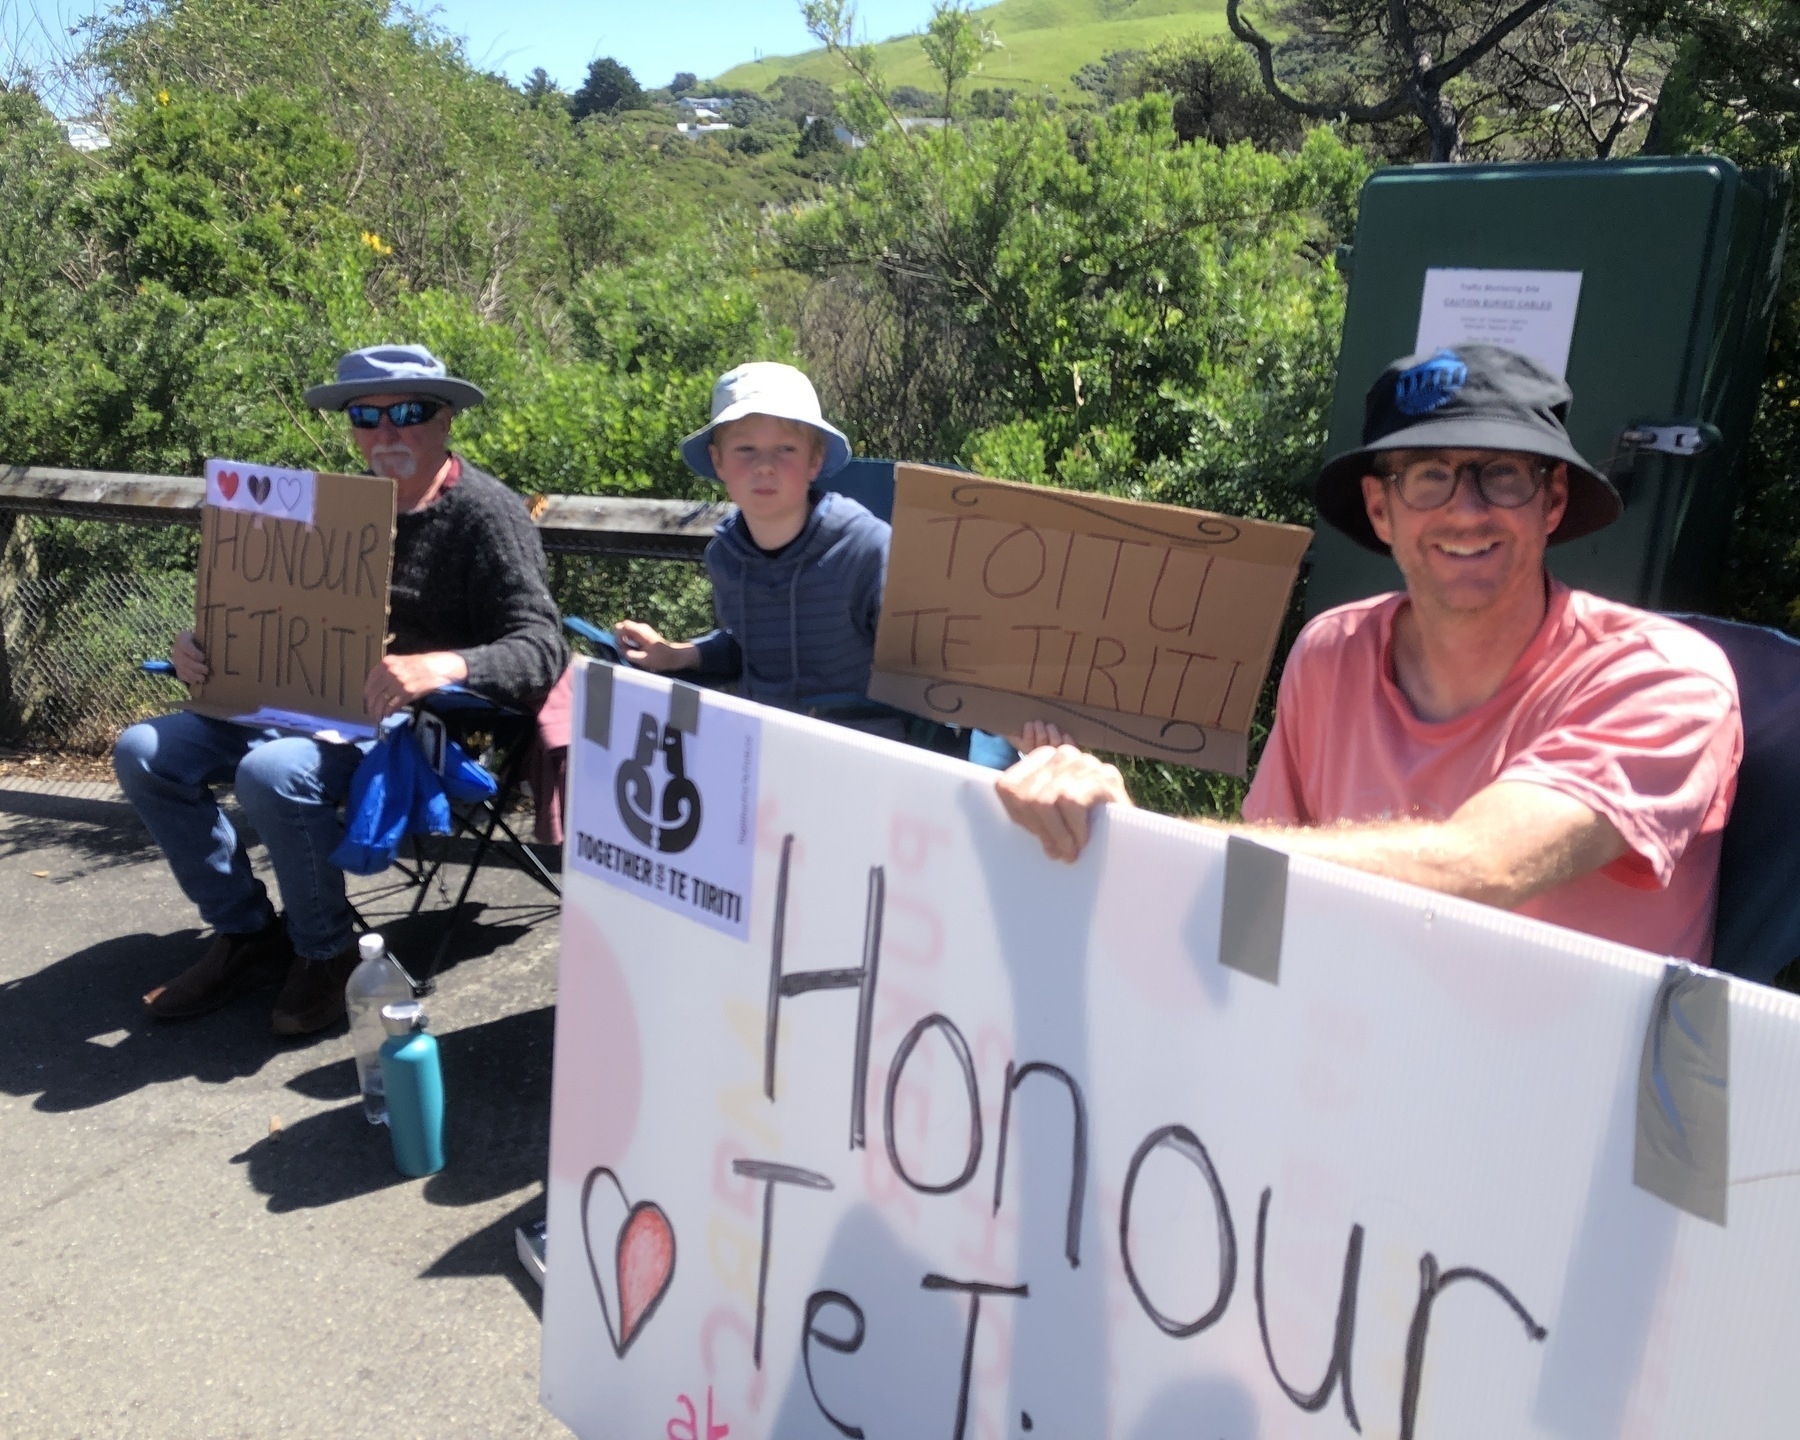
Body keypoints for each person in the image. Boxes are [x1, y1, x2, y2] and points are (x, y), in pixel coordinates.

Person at [997, 344, 1742, 964]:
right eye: (1428, 476)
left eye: (1503, 474)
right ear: (1382, 511)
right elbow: (1256, 926)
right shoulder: (1331, 655)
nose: (1466, 509)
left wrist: (1147, 847)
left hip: (1573, 1119)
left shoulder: (1665, 679)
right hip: (1353, 1071)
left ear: (1551, 503)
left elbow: (1484, 868)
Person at [115, 344, 568, 1034]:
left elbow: (541, 648)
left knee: (272, 772)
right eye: (365, 415)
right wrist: (201, 646)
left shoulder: (487, 515)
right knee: (144, 749)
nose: (385, 432)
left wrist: (441, 666)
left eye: (408, 412)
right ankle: (247, 932)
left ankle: (323, 953)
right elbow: (263, 608)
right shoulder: (327, 508)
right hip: (292, 701)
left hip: (414, 725)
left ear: (445, 419)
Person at [613, 361, 895, 729]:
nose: (765, 466)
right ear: (718, 461)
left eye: (786, 450)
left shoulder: (867, 549)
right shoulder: (726, 558)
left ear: (815, 460)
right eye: (746, 449)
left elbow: (920, 671)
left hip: (866, 754)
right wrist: (677, 656)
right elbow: (748, 648)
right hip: (758, 750)